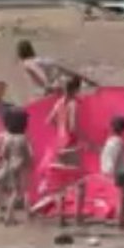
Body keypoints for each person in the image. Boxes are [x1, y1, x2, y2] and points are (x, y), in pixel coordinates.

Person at [46, 76, 87, 227]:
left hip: (59, 143)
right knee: (80, 182)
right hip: (71, 143)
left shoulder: (59, 102)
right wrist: (85, 139)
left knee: (61, 182)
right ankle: (78, 217)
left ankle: (61, 217)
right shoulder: (73, 104)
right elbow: (73, 126)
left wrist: (59, 131)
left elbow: (49, 120)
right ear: (77, 89)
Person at [0, 107, 32, 224]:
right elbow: (28, 154)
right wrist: (28, 165)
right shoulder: (23, 138)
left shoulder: (6, 137)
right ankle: (9, 216)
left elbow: (3, 154)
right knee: (16, 192)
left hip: (7, 165)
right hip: (18, 165)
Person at [16, 40, 98, 95]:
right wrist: (87, 80)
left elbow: (38, 71)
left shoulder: (27, 62)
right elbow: (65, 70)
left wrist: (47, 85)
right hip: (58, 77)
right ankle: (89, 82)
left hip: (52, 85)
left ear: (20, 53)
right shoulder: (40, 59)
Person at [100, 115, 124, 230]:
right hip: (123, 172)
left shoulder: (110, 141)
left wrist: (108, 170)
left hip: (118, 172)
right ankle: (122, 221)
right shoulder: (119, 142)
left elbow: (107, 156)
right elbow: (115, 157)